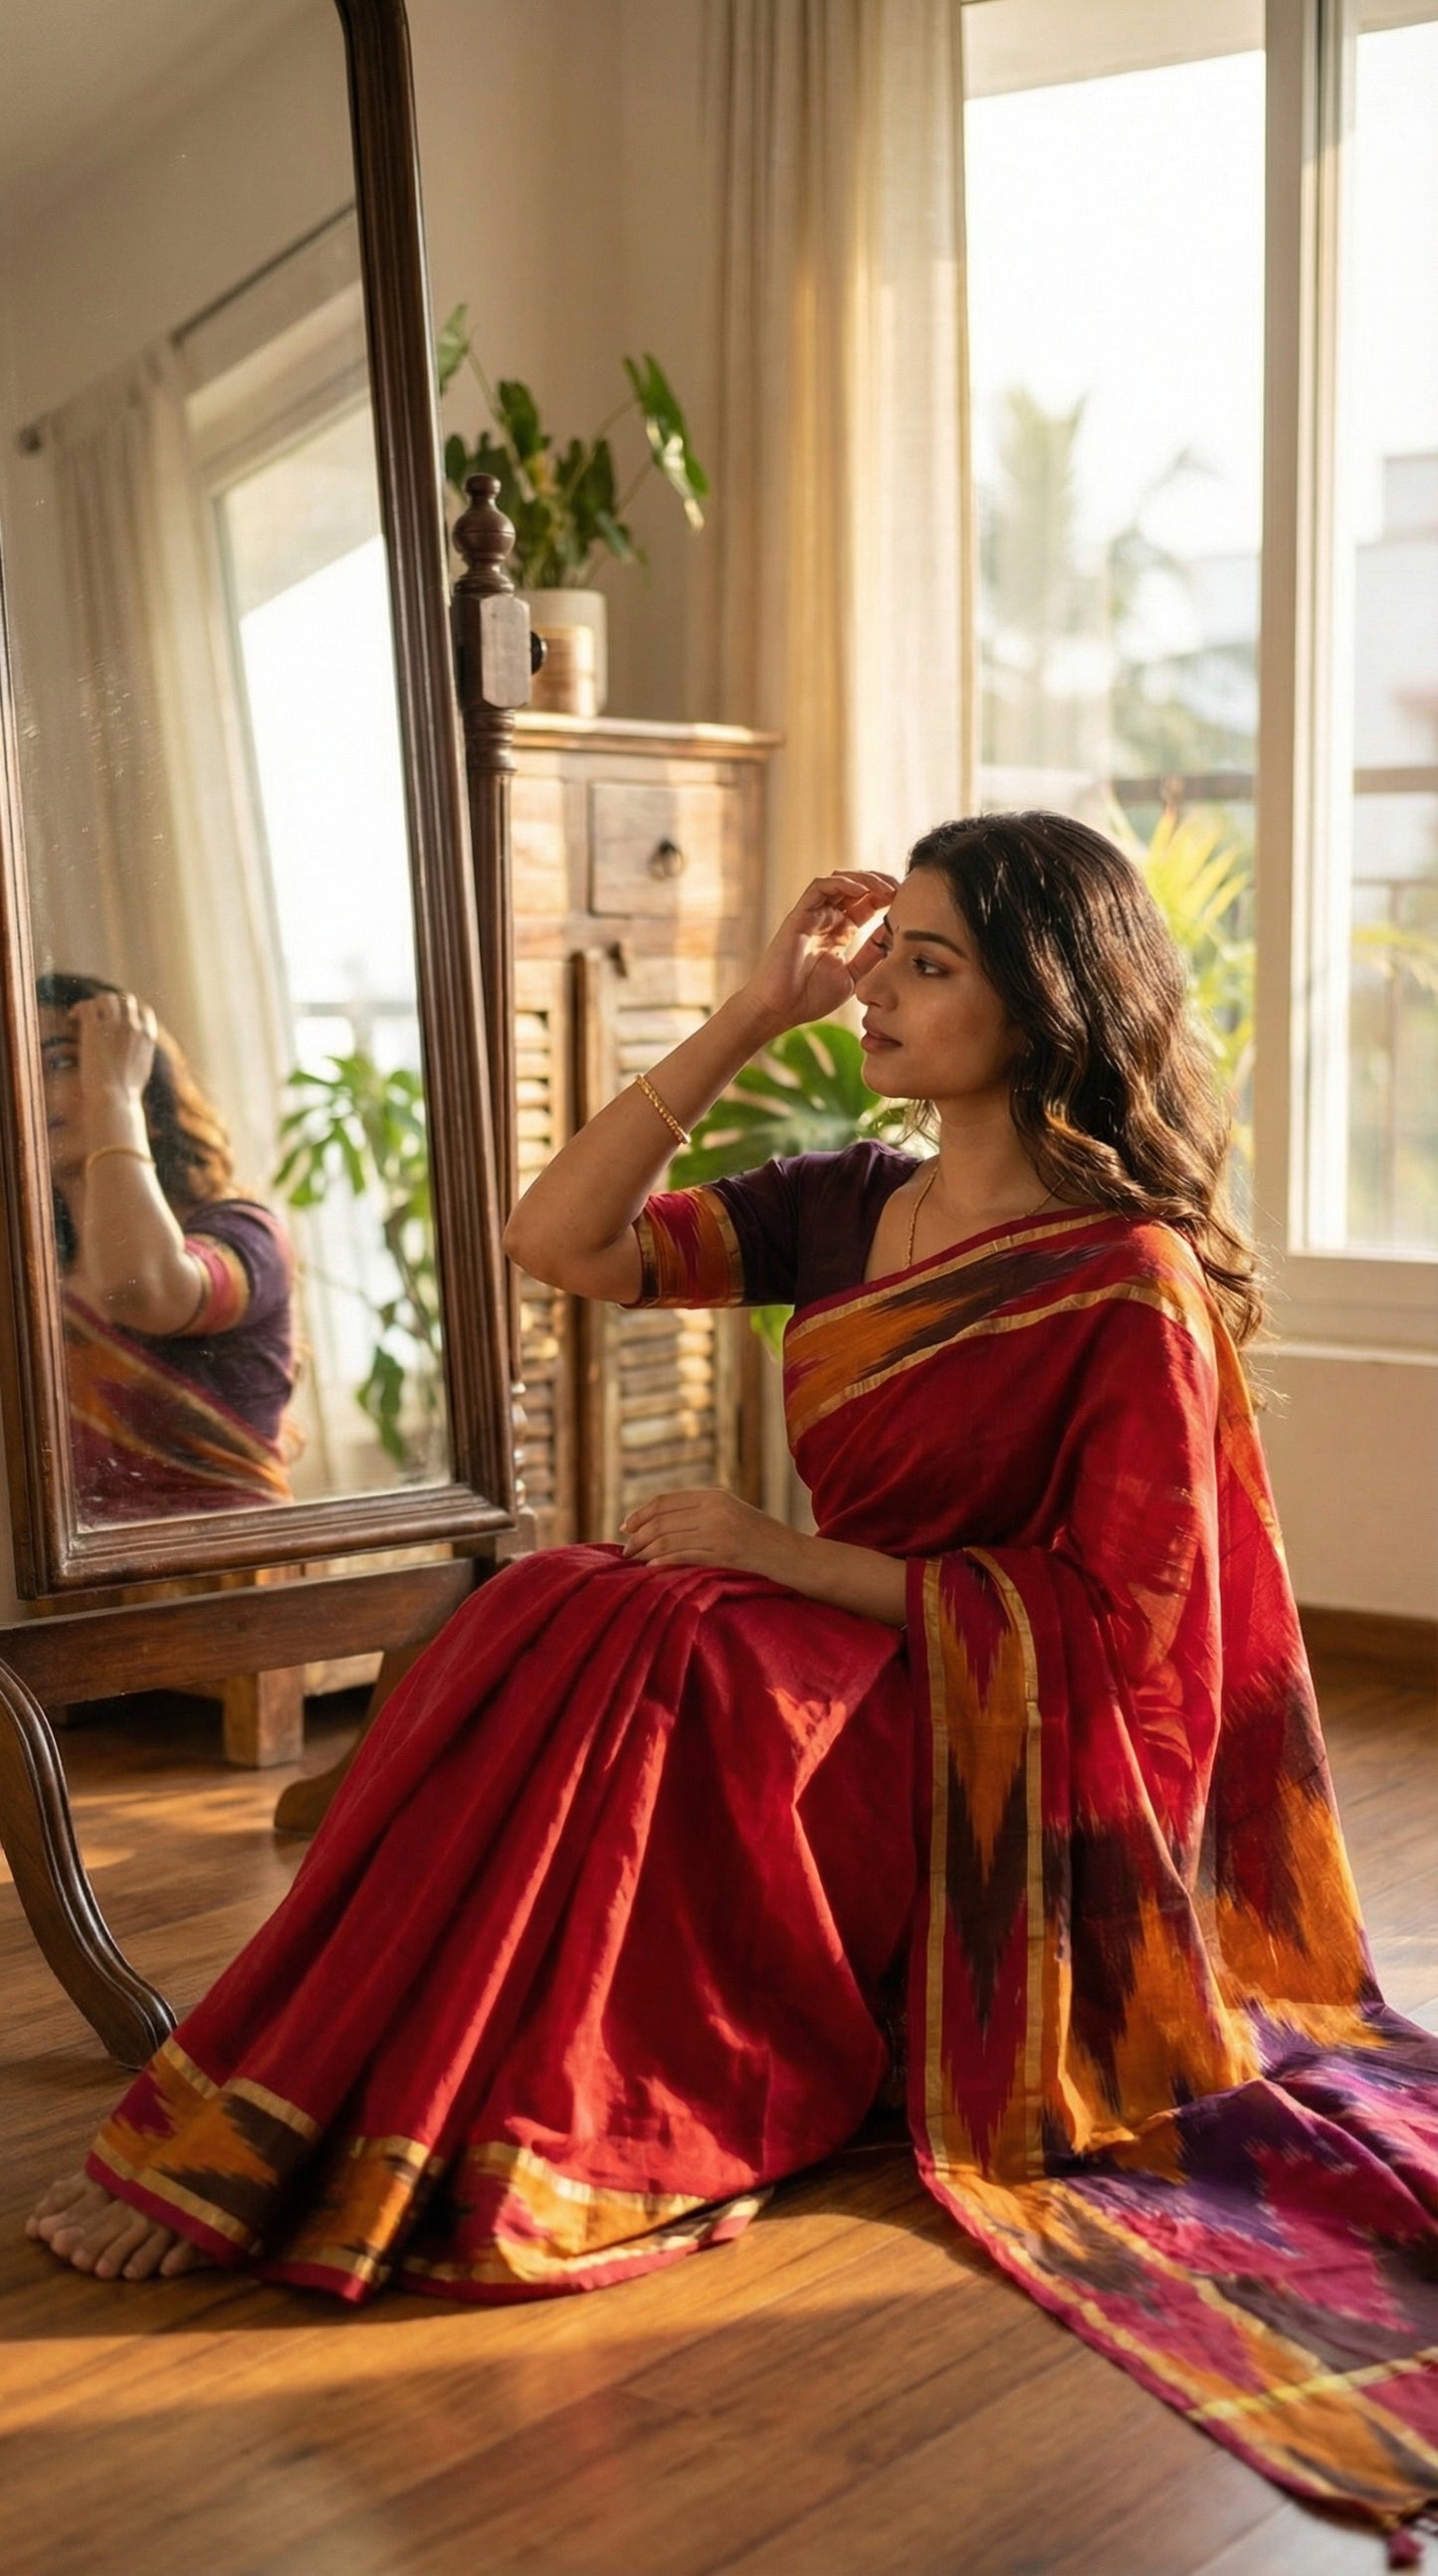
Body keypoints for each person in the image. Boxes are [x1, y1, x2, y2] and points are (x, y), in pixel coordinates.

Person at [27, 821, 1438, 2540]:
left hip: (976, 1733)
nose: (881, 989)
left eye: (932, 962)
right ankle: (355, 2093)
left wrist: (783, 1558)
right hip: (828, 1665)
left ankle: (505, 2112)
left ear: (1046, 1004)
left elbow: (1111, 1630)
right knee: (571, 1592)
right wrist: (745, 1017)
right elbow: (562, 1238)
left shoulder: (1123, 1276)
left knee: (671, 1632)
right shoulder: (848, 1200)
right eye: (882, 952)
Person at [37, 972, 297, 1518]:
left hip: (237, 1586)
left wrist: (113, 1094)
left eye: (60, 1061)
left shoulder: (246, 1237)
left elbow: (141, 1289)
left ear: (147, 1106)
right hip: (86, 1598)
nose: (32, 1088)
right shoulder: (36, 1280)